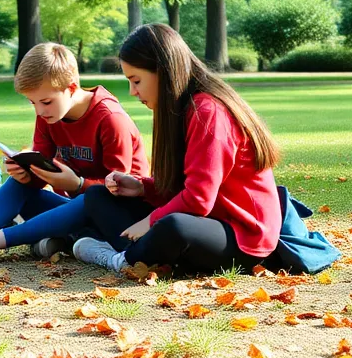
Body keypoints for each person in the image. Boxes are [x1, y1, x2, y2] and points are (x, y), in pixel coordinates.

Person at [73, 24, 282, 275]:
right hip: (205, 220)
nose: (132, 91)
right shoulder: (179, 109)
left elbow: (198, 200)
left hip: (240, 236)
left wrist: (150, 221)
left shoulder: (207, 112)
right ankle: (142, 255)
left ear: (163, 71)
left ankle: (120, 259)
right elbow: (180, 188)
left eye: (136, 80)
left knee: (173, 226)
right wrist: (143, 188)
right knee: (99, 196)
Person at [0, 42, 147, 265]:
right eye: (33, 102)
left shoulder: (110, 119)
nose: (40, 111)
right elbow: (41, 167)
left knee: (88, 199)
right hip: (76, 213)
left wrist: (76, 184)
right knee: (20, 187)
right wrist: (26, 172)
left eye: (46, 102)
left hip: (121, 219)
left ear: (70, 88)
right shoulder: (49, 116)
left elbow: (114, 191)